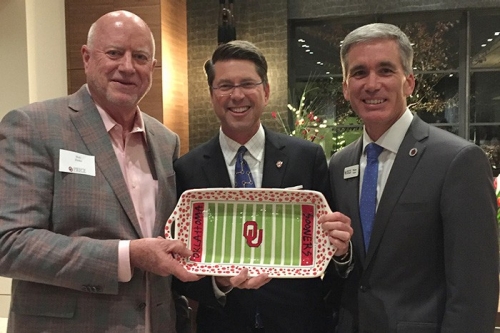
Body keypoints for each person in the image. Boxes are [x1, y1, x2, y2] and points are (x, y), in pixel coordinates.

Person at [0, 10, 199, 333]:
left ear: (152, 67)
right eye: (114, 53)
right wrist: (128, 256)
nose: (127, 67)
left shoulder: (165, 141)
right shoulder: (34, 126)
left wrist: (220, 269)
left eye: (140, 57)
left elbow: (170, 243)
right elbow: (9, 243)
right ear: (87, 57)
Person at [326, 22, 499, 332]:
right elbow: (358, 270)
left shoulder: (457, 161)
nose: (372, 83)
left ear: (409, 82)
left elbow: (475, 290)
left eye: (386, 70)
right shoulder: (339, 165)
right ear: (345, 87)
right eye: (359, 73)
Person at [173, 40, 353, 333]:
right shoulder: (187, 169)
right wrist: (218, 282)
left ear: (266, 91)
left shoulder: (306, 158)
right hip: (223, 325)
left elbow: (330, 253)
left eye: (247, 83)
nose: (237, 95)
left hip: (299, 323)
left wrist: (341, 251)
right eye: (225, 86)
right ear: (212, 95)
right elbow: (178, 269)